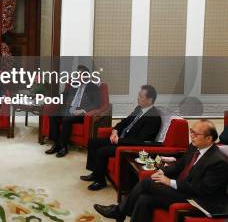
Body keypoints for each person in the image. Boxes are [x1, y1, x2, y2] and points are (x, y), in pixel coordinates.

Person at [94, 120, 228, 222]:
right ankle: (120, 212)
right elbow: (180, 165)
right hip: (183, 189)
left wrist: (170, 182)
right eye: (191, 131)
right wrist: (163, 172)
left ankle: (119, 211)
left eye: (196, 134)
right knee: (144, 199)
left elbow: (201, 189)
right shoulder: (194, 147)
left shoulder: (218, 161)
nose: (191, 136)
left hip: (197, 200)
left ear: (209, 139)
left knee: (147, 184)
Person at [82, 85, 161, 191]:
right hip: (121, 138)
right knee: (93, 142)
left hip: (128, 146)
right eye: (139, 95)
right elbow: (125, 122)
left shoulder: (154, 117)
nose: (137, 98)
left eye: (140, 96)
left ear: (149, 100)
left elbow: (140, 141)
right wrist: (115, 130)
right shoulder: (139, 109)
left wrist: (119, 140)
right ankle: (95, 173)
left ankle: (100, 181)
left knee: (102, 151)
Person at [46, 65, 101, 158]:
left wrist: (82, 110)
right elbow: (64, 94)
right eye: (77, 74)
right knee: (52, 116)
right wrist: (53, 99)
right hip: (68, 109)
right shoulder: (74, 84)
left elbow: (96, 103)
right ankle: (56, 144)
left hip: (80, 113)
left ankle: (64, 147)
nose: (77, 77)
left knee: (67, 119)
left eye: (79, 75)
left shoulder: (93, 87)